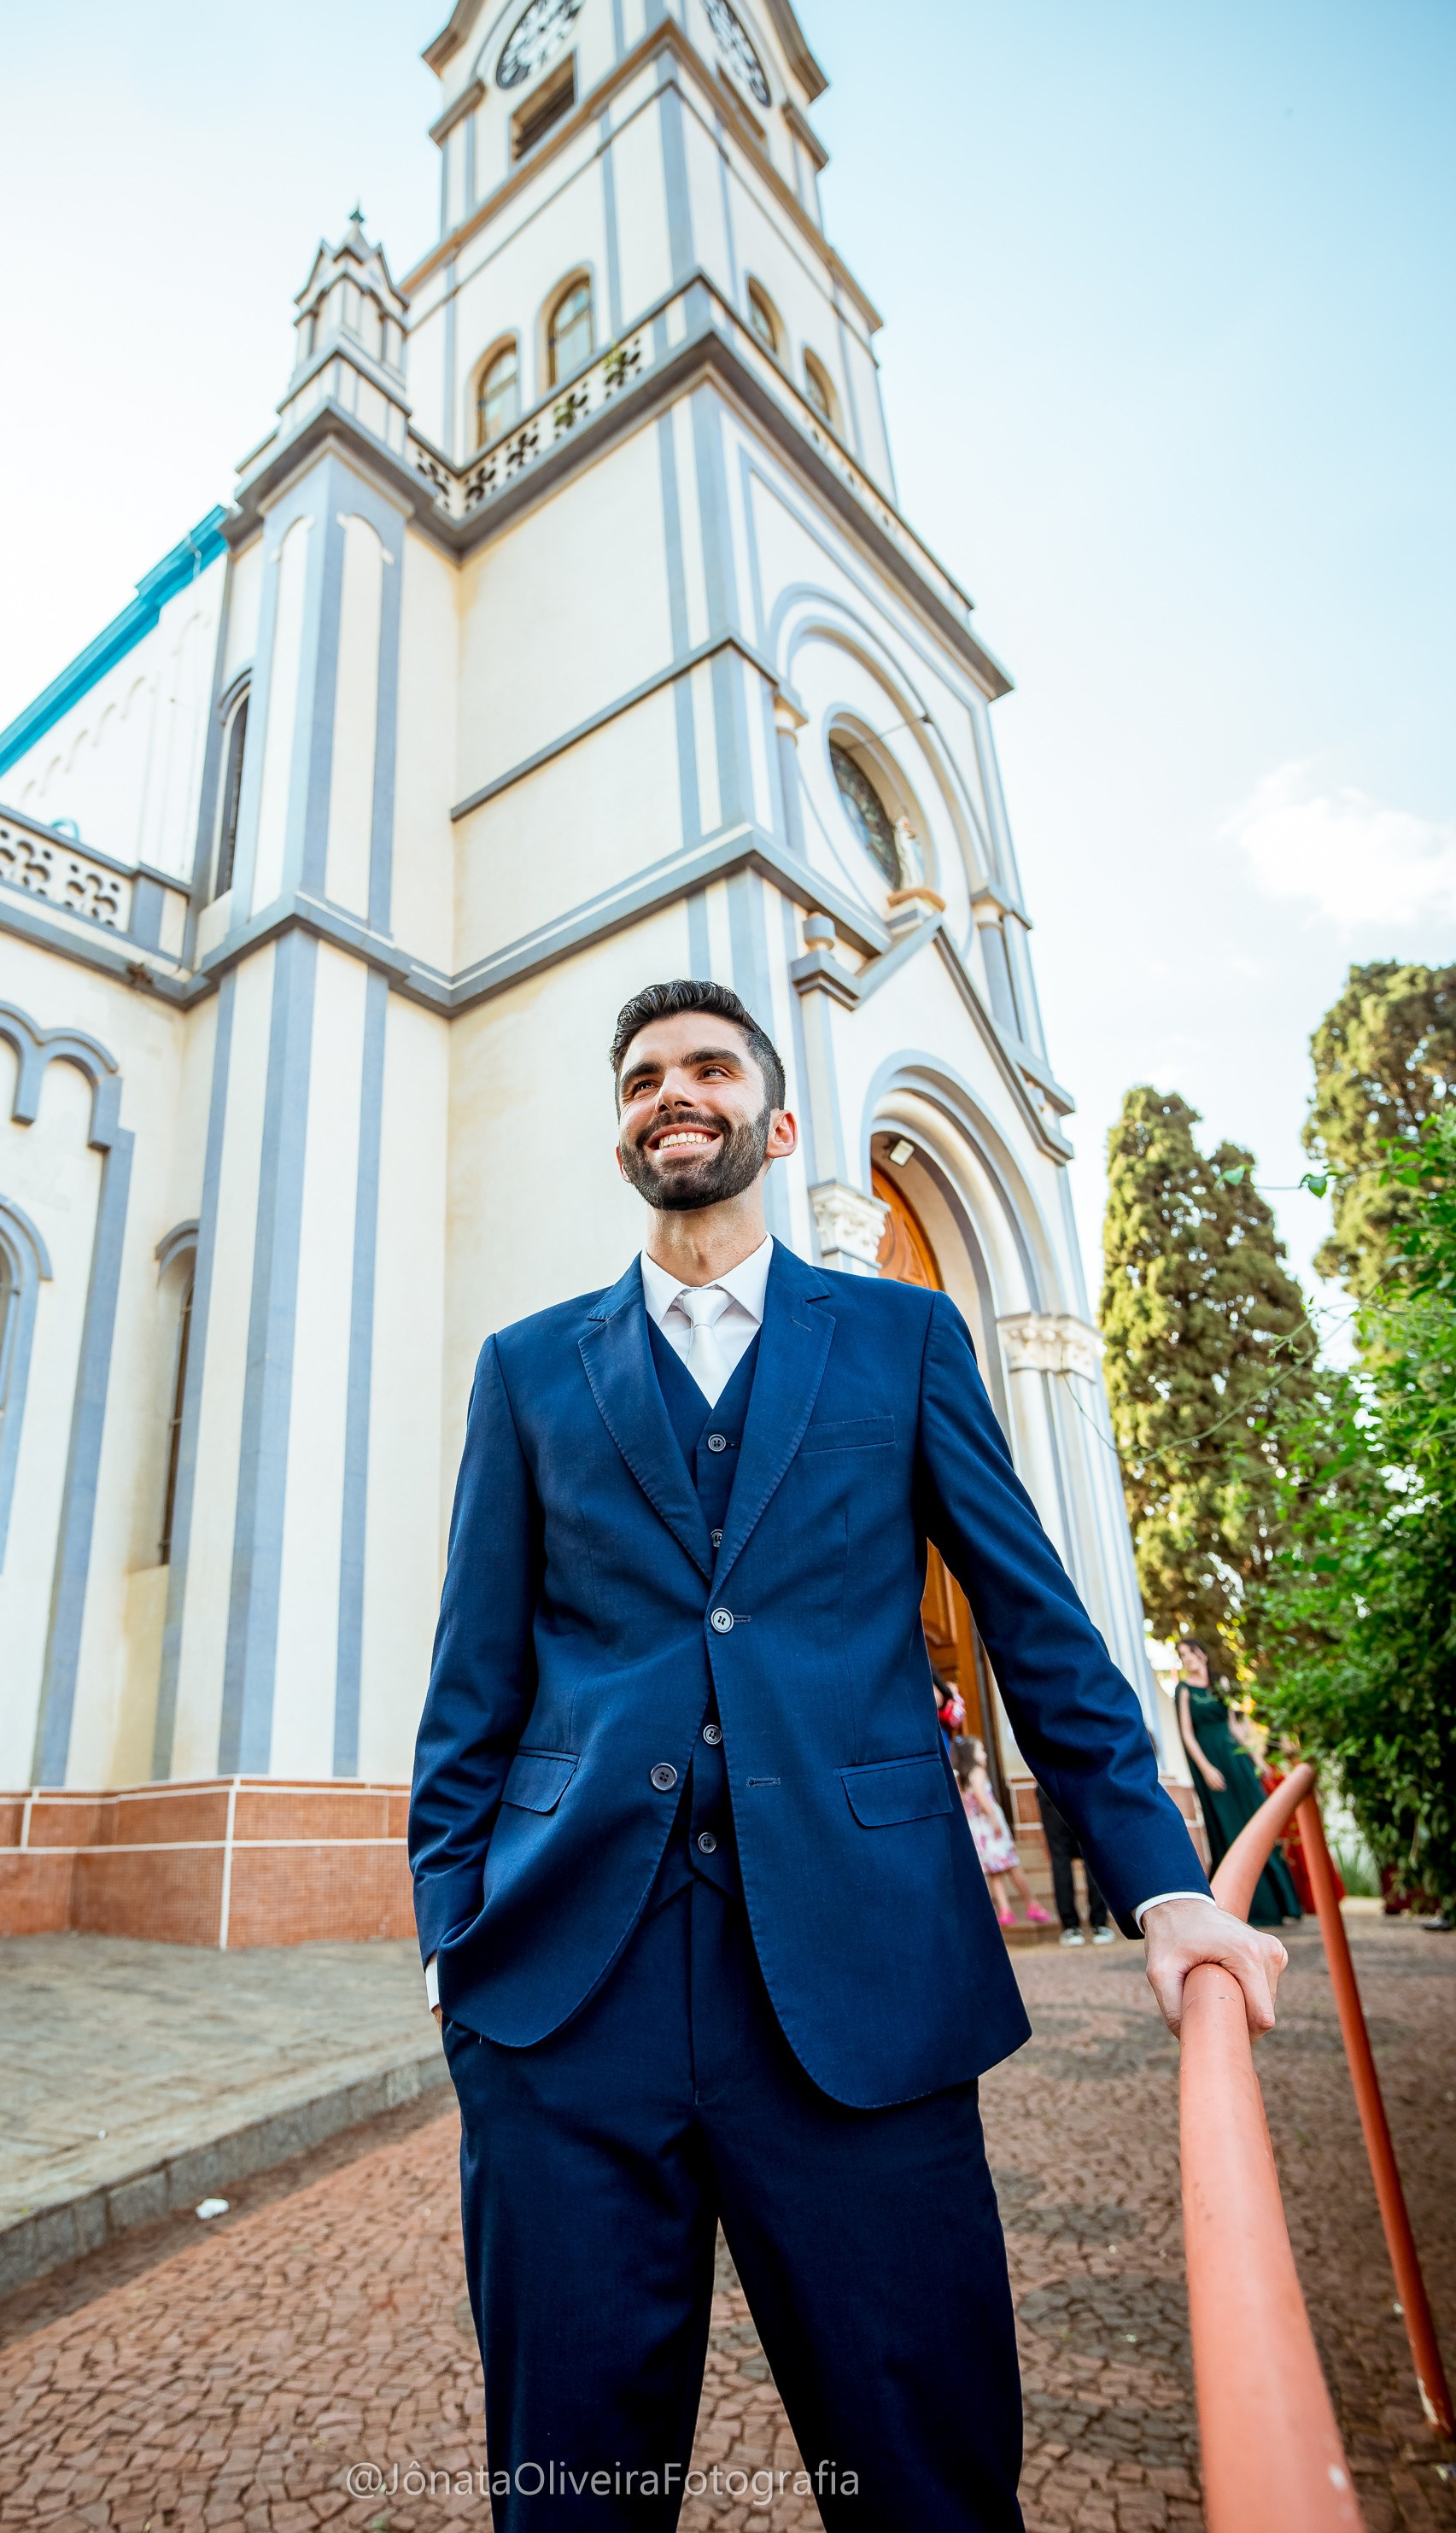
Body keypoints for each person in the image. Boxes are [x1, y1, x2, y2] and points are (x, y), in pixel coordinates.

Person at [411, 980, 1289, 2532]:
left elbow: (1038, 1624)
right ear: (620, 1128)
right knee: (568, 2493)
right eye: (641, 1079)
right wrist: (450, 1944)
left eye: (707, 1069)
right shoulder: (530, 1368)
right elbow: (471, 1687)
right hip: (565, 1999)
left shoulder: (902, 1338)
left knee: (922, 2478)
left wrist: (1163, 1889)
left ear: (776, 1119)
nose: (672, 1094)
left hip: (865, 1982)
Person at [1174, 1640, 1301, 1928]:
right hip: (1212, 1764)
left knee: (1258, 1822)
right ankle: (1249, 1908)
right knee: (1230, 1828)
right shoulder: (1183, 1691)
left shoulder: (1221, 1682)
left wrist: (1256, 1759)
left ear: (1202, 1653)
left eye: (1191, 1652)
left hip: (1236, 1760)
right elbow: (1187, 1734)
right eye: (1182, 1655)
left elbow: (1233, 1725)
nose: (1187, 1659)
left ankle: (1285, 1905)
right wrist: (1206, 1769)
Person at [952, 1737, 1052, 1927]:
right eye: (981, 1750)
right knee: (1012, 1865)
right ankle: (1032, 1903)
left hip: (977, 1828)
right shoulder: (978, 1773)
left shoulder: (962, 1779)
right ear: (971, 1755)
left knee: (994, 1871)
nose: (985, 1754)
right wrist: (994, 1818)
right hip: (990, 1826)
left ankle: (1005, 1909)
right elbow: (982, 1798)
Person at [1036, 1784, 1114, 1945]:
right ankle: (1099, 1924)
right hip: (1081, 1784)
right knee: (1092, 1855)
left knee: (1061, 1860)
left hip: (1050, 1787)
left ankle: (1070, 1927)